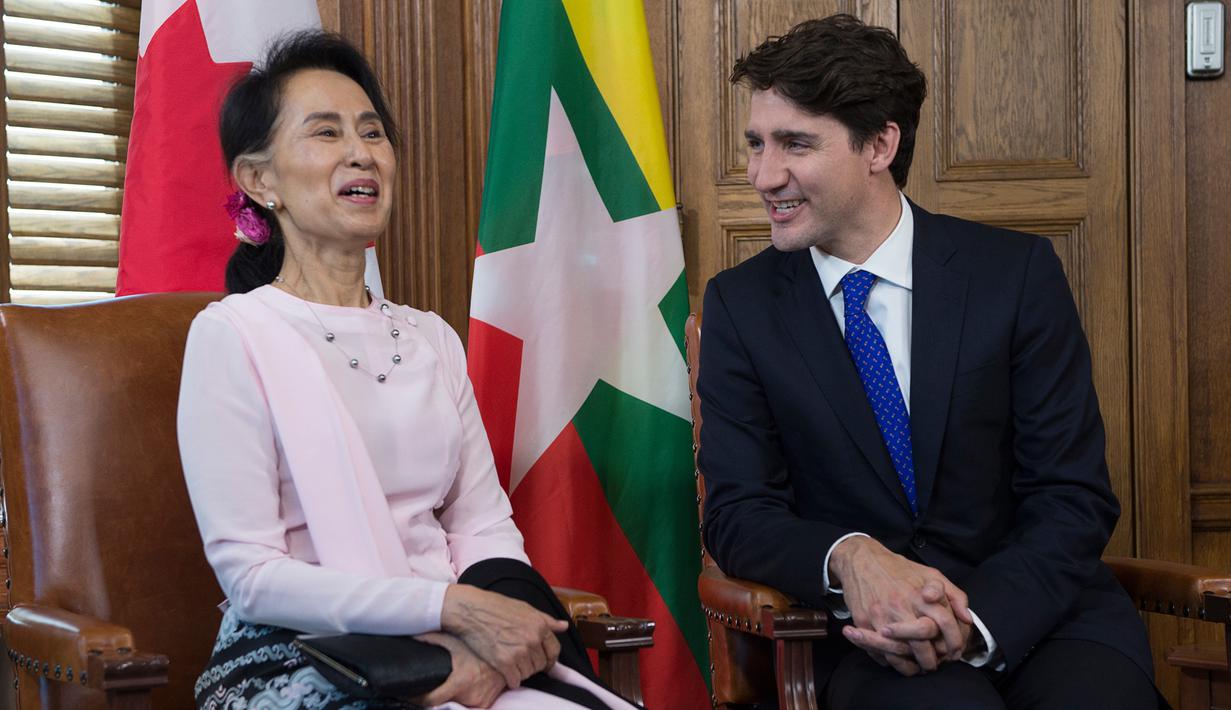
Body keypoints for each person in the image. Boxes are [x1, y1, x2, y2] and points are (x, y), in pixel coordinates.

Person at [697, 14, 1160, 710]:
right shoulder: (741, 306)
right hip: (863, 642)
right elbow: (738, 513)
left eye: (795, 143)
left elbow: (1071, 495)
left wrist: (975, 623)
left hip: (1041, 620)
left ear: (879, 144)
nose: (763, 175)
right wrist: (850, 555)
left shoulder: (1015, 275)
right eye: (756, 143)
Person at [177, 31, 638, 710]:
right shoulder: (234, 334)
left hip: (456, 636)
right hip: (301, 652)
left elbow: (483, 526)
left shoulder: (430, 338)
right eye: (326, 133)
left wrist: (495, 636)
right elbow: (252, 576)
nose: (361, 152)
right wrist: (447, 608)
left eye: (372, 132)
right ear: (259, 180)